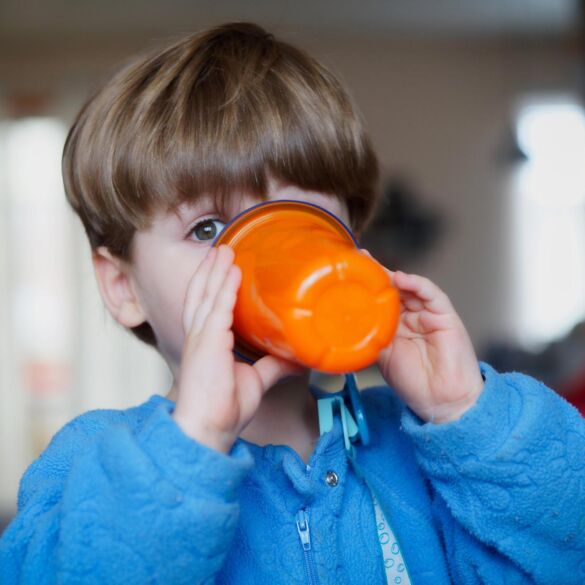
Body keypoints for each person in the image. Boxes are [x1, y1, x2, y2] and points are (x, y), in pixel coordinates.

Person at [1, 22, 583, 585]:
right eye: (207, 229)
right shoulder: (95, 463)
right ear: (123, 287)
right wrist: (192, 443)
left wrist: (469, 416)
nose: (280, 254)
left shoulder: (421, 450)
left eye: (310, 220)